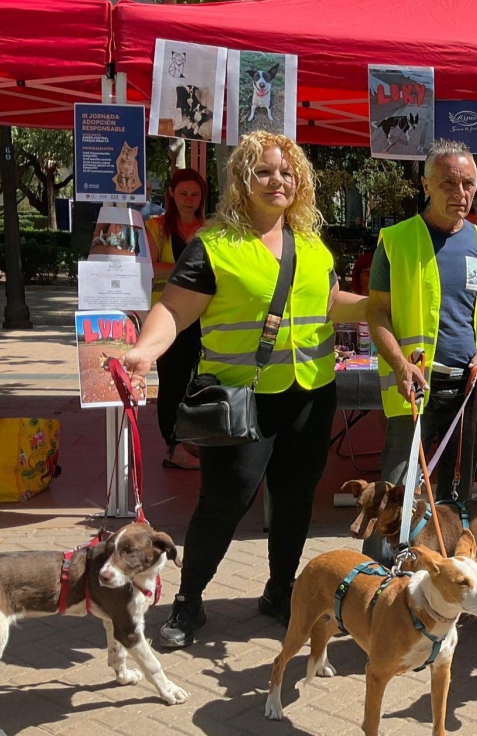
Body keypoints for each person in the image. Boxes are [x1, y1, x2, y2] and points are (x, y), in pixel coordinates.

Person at [122, 131, 368, 648]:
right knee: (225, 501)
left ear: (298, 180)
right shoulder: (214, 245)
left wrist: (377, 306)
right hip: (242, 399)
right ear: (243, 180)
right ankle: (189, 601)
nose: (277, 180)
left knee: (296, 497)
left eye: (286, 171)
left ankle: (280, 594)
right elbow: (173, 309)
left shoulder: (313, 246)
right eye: (263, 171)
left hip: (311, 393)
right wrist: (146, 351)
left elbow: (328, 304)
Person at [366, 140, 477, 539]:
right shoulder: (395, 240)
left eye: (468, 184)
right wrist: (400, 364)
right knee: (396, 491)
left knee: (454, 496)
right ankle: (383, 581)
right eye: (448, 183)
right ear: (426, 185)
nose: (459, 194)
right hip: (414, 386)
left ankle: (443, 581)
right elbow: (376, 311)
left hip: (466, 388)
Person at [144, 169, 208, 470]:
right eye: (183, 193)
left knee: (194, 382)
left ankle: (183, 437)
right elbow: (150, 268)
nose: (189, 200)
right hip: (168, 315)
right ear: (171, 193)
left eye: (195, 194)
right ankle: (172, 447)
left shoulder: (207, 228)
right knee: (171, 382)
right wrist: (189, 272)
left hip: (203, 316)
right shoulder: (155, 226)